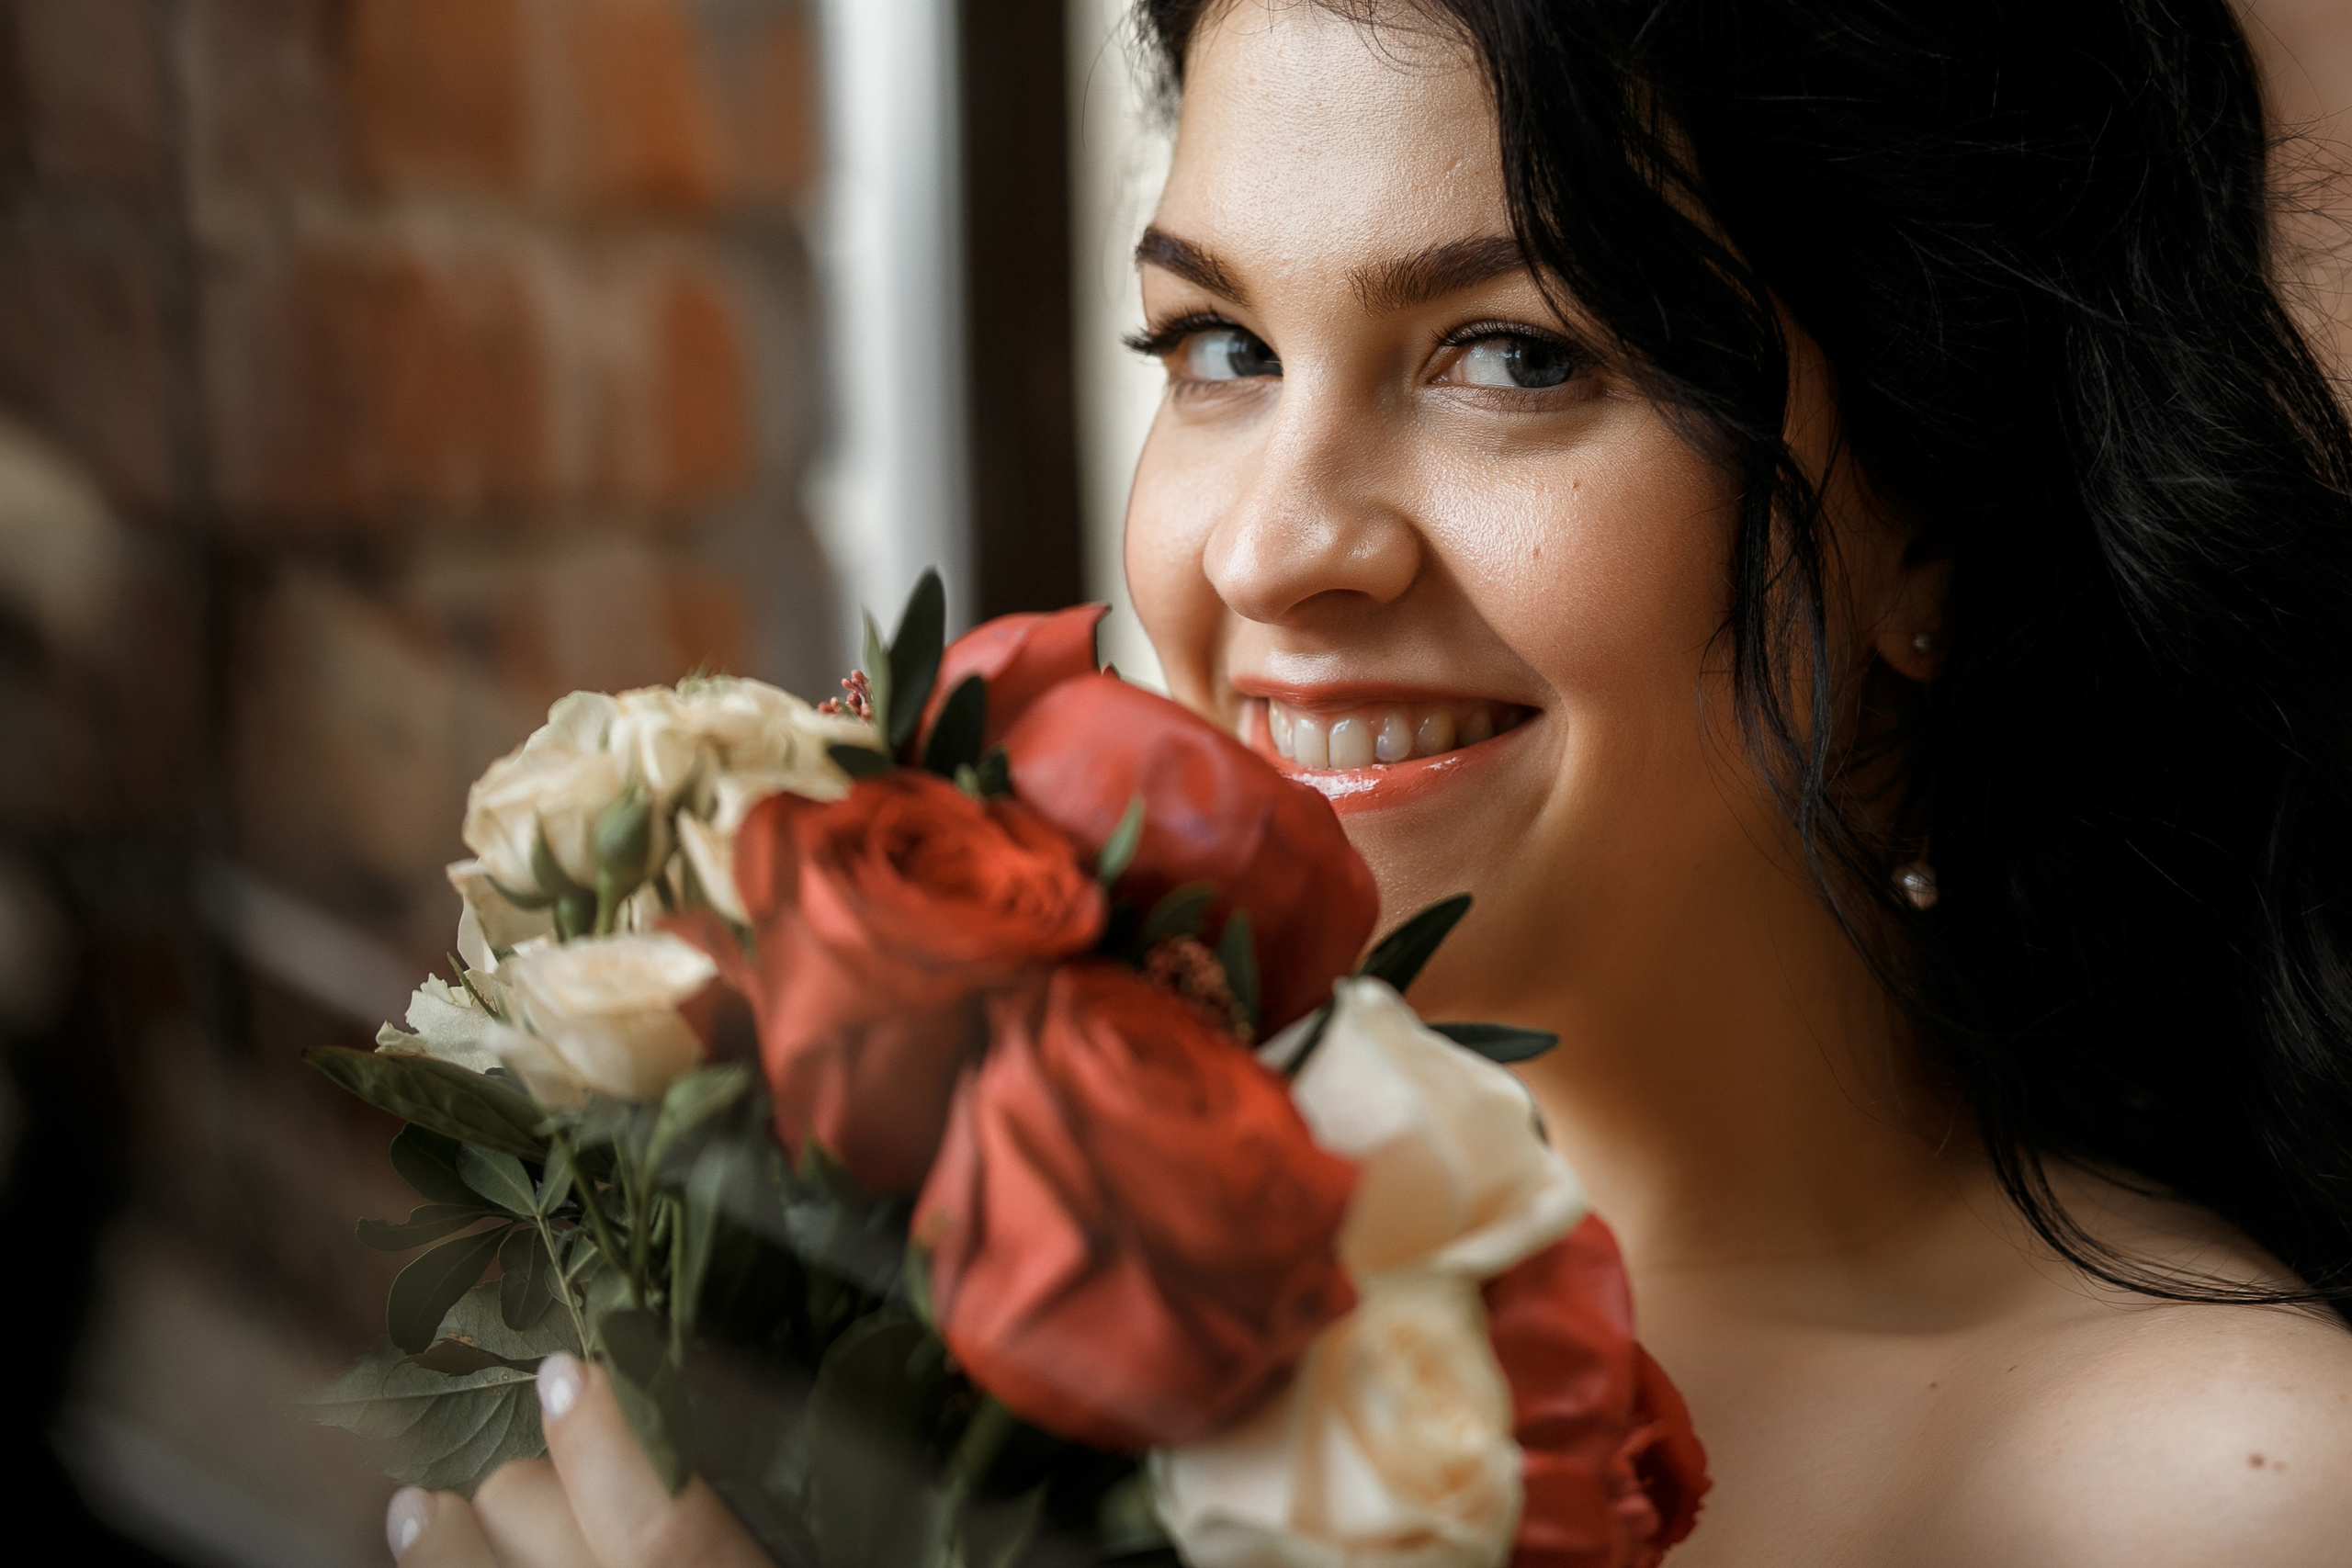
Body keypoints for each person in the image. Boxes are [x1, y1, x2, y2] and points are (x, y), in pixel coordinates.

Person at [393, 1, 2352, 1562]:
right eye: (1218, 344)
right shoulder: (958, 1299)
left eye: (1508, 356)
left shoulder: (2222, 1488)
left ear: (1935, 518)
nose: (1267, 550)